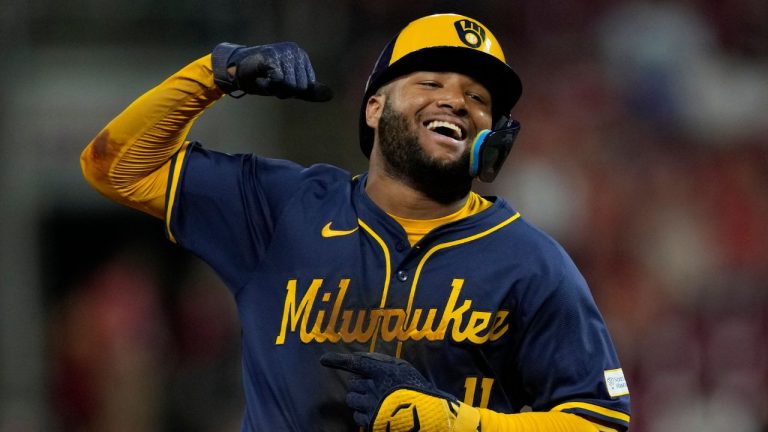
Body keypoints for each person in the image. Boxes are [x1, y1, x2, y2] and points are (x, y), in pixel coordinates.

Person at [81, 13, 631, 432]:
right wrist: (216, 72)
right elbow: (115, 167)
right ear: (374, 108)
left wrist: (452, 422)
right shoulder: (283, 208)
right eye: (431, 83)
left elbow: (600, 421)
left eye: (478, 97)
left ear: (495, 133)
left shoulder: (530, 261)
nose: (457, 102)